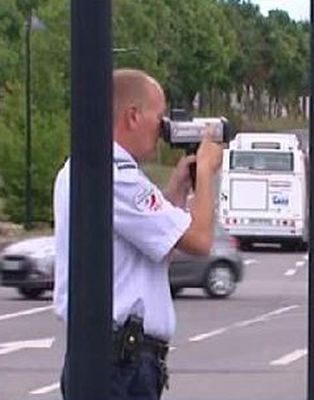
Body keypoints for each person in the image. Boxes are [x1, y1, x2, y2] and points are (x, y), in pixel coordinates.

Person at [53, 68, 223, 400]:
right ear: (133, 116)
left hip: (113, 358)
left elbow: (161, 246)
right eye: (159, 119)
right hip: (119, 364)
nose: (162, 131)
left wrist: (176, 190)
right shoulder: (114, 175)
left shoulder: (91, 168)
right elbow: (200, 240)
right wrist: (205, 174)